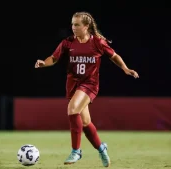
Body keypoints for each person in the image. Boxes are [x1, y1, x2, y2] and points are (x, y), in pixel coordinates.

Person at [35, 11, 139, 167]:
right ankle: (101, 149)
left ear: (86, 26)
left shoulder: (97, 42)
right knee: (85, 122)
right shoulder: (67, 43)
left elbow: (114, 56)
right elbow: (54, 58)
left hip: (89, 84)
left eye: (77, 24)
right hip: (73, 86)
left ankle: (76, 151)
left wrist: (125, 68)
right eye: (72, 24)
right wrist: (44, 62)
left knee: (72, 109)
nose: (73, 27)